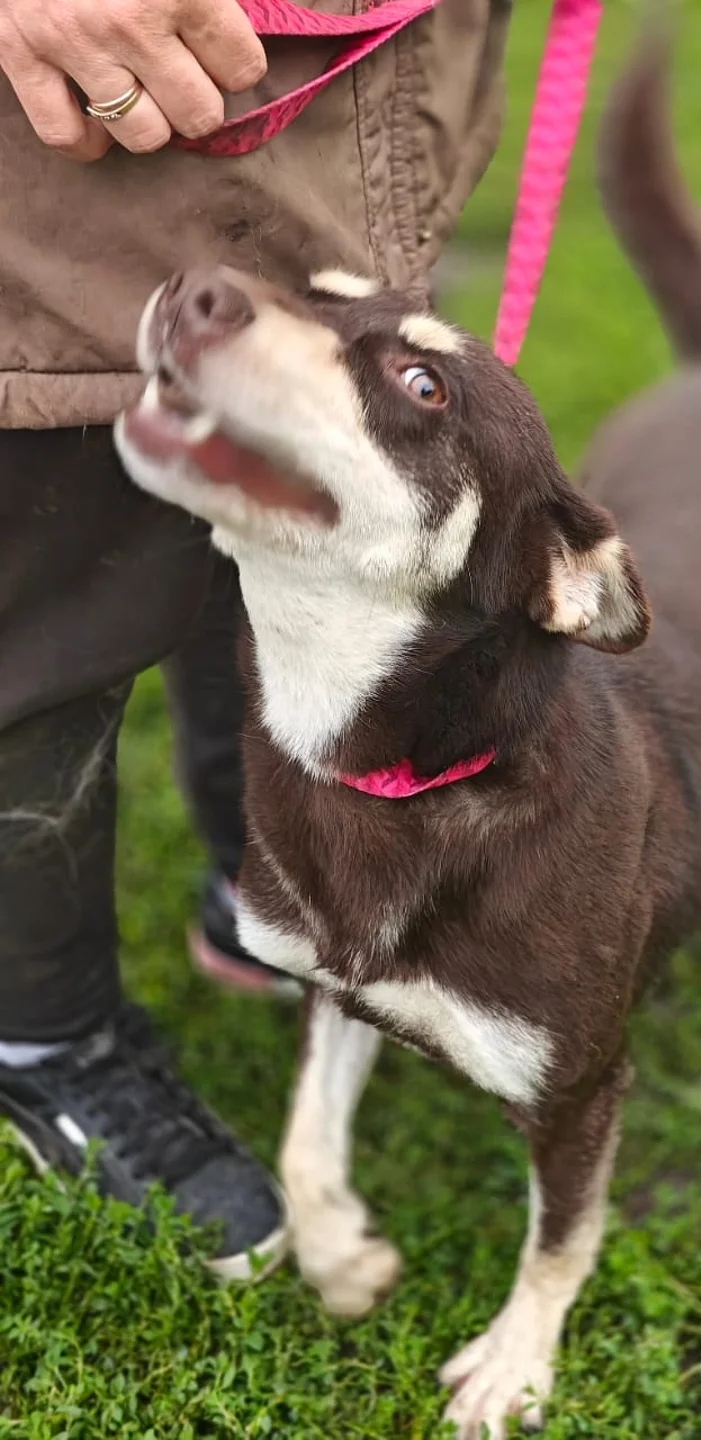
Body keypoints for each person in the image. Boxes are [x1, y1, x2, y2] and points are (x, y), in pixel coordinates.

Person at [0, 0, 508, 1278]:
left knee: (279, 520)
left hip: (370, 93)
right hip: (85, 142)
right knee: (45, 628)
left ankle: (258, 897)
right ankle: (42, 1041)